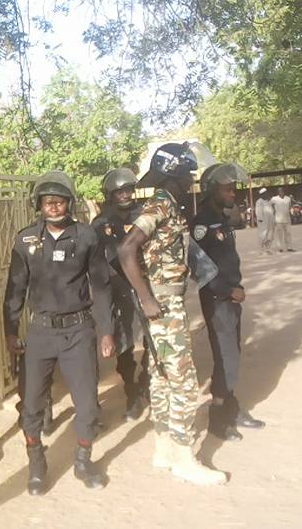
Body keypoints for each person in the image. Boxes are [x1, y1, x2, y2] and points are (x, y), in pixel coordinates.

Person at [118, 142, 227, 486]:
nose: (192, 178)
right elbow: (126, 249)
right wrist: (146, 297)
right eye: (188, 173)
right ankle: (184, 456)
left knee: (162, 375)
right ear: (175, 174)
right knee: (182, 380)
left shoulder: (168, 205)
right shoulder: (162, 205)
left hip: (164, 303)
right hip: (163, 305)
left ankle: (164, 448)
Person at [3, 170, 115, 495]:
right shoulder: (25, 240)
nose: (54, 206)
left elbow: (102, 286)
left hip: (79, 330)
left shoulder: (86, 237)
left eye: (60, 200)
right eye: (48, 201)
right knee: (32, 403)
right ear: (39, 205)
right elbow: (14, 289)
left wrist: (106, 331)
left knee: (88, 404)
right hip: (41, 332)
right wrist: (11, 330)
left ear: (69, 202)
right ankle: (36, 462)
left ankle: (83, 460)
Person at [192, 164, 265, 442]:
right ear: (212, 190)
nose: (232, 192)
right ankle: (217, 419)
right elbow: (200, 269)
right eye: (227, 188)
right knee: (226, 359)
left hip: (231, 296)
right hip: (217, 299)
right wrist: (227, 291)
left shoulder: (221, 218)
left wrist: (236, 288)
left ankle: (232, 410)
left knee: (231, 354)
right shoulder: (202, 222)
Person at [91, 167, 149, 422]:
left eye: (128, 190)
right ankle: (132, 392)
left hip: (147, 286)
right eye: (119, 191)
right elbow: (97, 261)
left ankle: (148, 379)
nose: (125, 195)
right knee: (124, 342)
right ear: (109, 194)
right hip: (118, 289)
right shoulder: (101, 223)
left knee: (153, 337)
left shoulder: (145, 216)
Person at [272, 187, 294, 252]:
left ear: (284, 192)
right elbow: (270, 205)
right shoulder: (274, 199)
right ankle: (280, 248)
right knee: (279, 234)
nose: (281, 192)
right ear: (278, 192)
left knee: (288, 233)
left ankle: (289, 247)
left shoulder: (288, 199)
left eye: (282, 191)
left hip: (287, 218)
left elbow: (290, 207)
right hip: (278, 219)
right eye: (279, 191)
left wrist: (291, 212)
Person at [255, 188, 275, 254]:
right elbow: (258, 211)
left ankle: (268, 249)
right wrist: (260, 219)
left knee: (270, 235)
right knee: (263, 235)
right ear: (262, 194)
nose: (267, 194)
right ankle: (261, 250)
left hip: (270, 221)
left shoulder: (267, 201)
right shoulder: (259, 201)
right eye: (265, 193)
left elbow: (271, 210)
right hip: (263, 222)